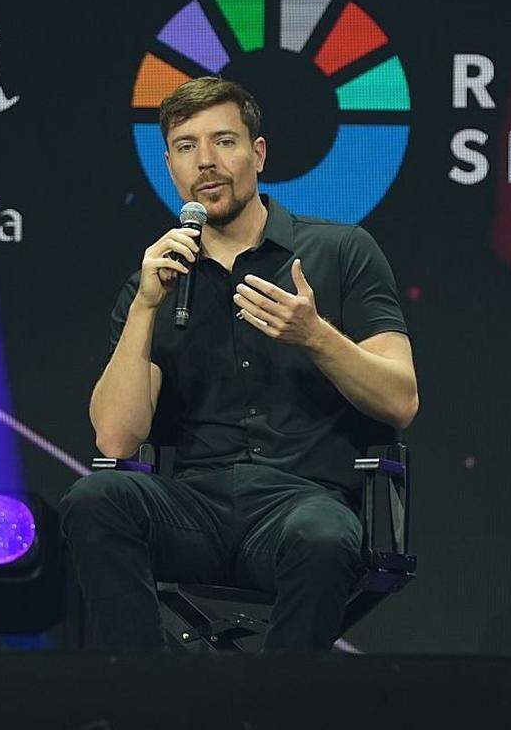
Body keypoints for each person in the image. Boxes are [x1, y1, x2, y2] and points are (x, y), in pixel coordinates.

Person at [59, 76, 418, 651]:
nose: (206, 161)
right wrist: (147, 307)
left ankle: (273, 708)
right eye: (185, 146)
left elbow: (401, 400)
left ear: (258, 154)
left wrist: (315, 336)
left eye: (224, 141)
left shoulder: (340, 251)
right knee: (95, 500)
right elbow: (116, 440)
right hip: (195, 508)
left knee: (322, 535)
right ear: (170, 167)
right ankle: (145, 696)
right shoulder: (152, 281)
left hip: (302, 504)